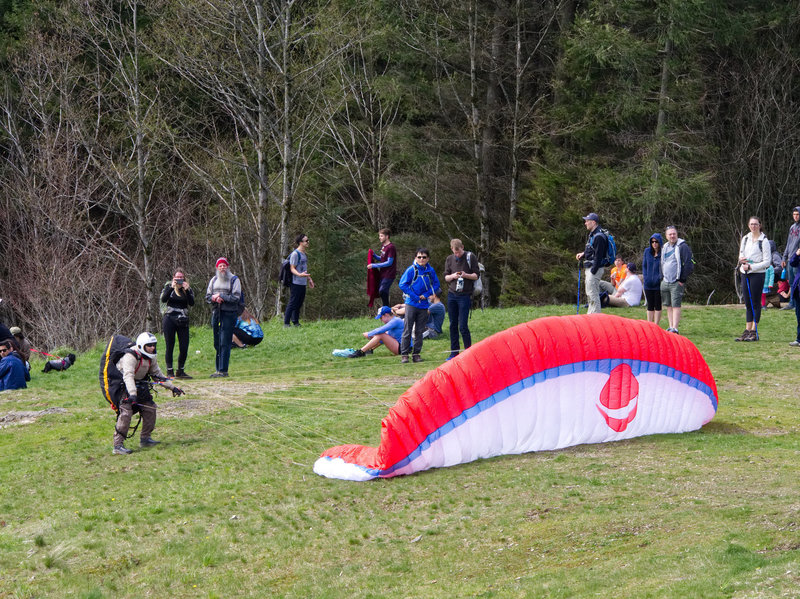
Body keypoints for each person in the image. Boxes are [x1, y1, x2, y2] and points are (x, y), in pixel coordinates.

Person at [112, 332, 183, 455]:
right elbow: (128, 376)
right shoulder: (130, 356)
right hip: (125, 387)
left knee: (150, 408)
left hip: (141, 386)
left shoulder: (151, 357)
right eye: (149, 345)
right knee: (126, 413)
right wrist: (132, 394)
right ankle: (117, 445)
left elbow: (158, 376)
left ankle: (145, 439)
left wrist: (173, 388)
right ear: (141, 346)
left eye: (154, 345)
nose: (152, 348)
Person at [398, 248, 441, 363]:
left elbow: (436, 284)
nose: (421, 259)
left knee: (419, 331)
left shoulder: (430, 271)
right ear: (415, 258)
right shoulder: (411, 270)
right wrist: (415, 297)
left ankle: (416, 354)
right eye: (419, 257)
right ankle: (405, 355)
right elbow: (402, 284)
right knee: (407, 330)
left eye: (424, 257)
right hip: (411, 304)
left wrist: (426, 295)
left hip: (423, 305)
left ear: (428, 259)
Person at [735, 216, 771, 341]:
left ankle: (754, 331)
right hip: (745, 272)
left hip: (757, 273)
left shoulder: (764, 241)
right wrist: (742, 260)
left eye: (756, 224)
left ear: (760, 225)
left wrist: (752, 267)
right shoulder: (745, 238)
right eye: (751, 224)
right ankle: (747, 330)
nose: (753, 226)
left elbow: (767, 262)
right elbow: (741, 253)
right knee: (748, 303)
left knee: (756, 303)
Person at [205, 257, 242, 378]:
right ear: (217, 268)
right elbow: (207, 297)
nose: (222, 268)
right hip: (216, 313)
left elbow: (236, 298)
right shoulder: (213, 280)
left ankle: (223, 370)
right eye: (220, 266)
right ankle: (217, 369)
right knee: (217, 342)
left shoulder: (234, 280)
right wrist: (214, 298)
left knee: (225, 342)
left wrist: (222, 296)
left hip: (229, 314)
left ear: (227, 267)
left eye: (224, 266)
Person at [443, 239, 479, 360]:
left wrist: (465, 275)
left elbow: (476, 275)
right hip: (452, 294)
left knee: (463, 325)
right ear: (452, 250)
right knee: (453, 324)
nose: (457, 254)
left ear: (462, 247)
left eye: (459, 252)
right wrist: (453, 276)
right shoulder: (449, 259)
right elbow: (446, 277)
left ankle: (469, 352)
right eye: (455, 252)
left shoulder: (470, 256)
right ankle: (454, 352)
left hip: (465, 295)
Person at [160, 269, 195, 379]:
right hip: (169, 318)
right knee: (170, 345)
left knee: (184, 346)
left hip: (182, 319)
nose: (179, 280)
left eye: (181, 278)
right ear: (173, 278)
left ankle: (181, 370)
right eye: (177, 278)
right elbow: (164, 299)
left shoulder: (187, 289)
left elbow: (192, 303)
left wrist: (187, 289)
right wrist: (171, 287)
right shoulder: (169, 287)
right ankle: (169, 371)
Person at [337, 305, 405, 358]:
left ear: (386, 315)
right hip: (402, 347)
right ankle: (368, 350)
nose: (381, 320)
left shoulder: (395, 321)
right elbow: (382, 339)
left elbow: (381, 330)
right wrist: (373, 339)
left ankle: (360, 352)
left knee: (381, 334)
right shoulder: (395, 320)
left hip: (403, 348)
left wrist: (369, 334)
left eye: (381, 318)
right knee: (383, 334)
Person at [660, 226, 693, 334]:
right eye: (670, 234)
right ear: (666, 236)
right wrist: (662, 278)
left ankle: (675, 328)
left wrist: (682, 279)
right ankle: (670, 326)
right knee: (668, 305)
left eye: (674, 234)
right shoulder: (665, 247)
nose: (672, 236)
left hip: (676, 282)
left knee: (676, 305)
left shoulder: (682, 246)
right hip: (665, 281)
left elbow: (688, 264)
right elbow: (662, 263)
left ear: (677, 234)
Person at [575, 213, 609, 314]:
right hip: (591, 268)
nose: (585, 223)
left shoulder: (599, 236)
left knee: (593, 294)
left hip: (594, 269)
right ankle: (591, 316)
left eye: (587, 221)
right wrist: (583, 254)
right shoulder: (593, 234)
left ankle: (595, 317)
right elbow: (592, 250)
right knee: (590, 293)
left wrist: (593, 271)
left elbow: (598, 256)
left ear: (593, 222)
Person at [284, 234, 315, 327]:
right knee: (293, 302)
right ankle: (286, 323)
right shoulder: (295, 254)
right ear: (300, 243)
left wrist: (309, 279)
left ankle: (296, 322)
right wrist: (299, 275)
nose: (308, 242)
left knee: (299, 302)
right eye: (306, 241)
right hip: (295, 282)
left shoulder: (304, 254)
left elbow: (304, 269)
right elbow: (292, 268)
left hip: (302, 282)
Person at [367, 228, 397, 307]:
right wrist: (373, 255)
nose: (379, 238)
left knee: (382, 290)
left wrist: (374, 265)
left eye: (381, 236)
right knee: (383, 292)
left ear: (387, 237)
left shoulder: (391, 247)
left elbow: (389, 262)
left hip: (389, 274)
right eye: (379, 236)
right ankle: (387, 310)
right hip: (383, 273)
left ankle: (386, 309)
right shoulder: (383, 246)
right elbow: (382, 258)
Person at [781, 206, 800, 310]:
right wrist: (784, 258)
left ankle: (797, 303)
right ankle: (792, 303)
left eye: (797, 214)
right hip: (789, 259)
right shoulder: (792, 227)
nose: (795, 216)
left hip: (797, 260)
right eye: (794, 214)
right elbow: (788, 243)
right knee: (791, 282)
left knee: (798, 283)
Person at [642, 233, 663, 324]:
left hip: (658, 284)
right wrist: (645, 277)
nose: (654, 243)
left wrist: (659, 278)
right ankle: (649, 324)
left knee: (657, 305)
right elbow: (644, 266)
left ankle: (656, 324)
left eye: (656, 242)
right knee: (650, 305)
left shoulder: (663, 253)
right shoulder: (647, 251)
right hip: (648, 283)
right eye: (652, 242)